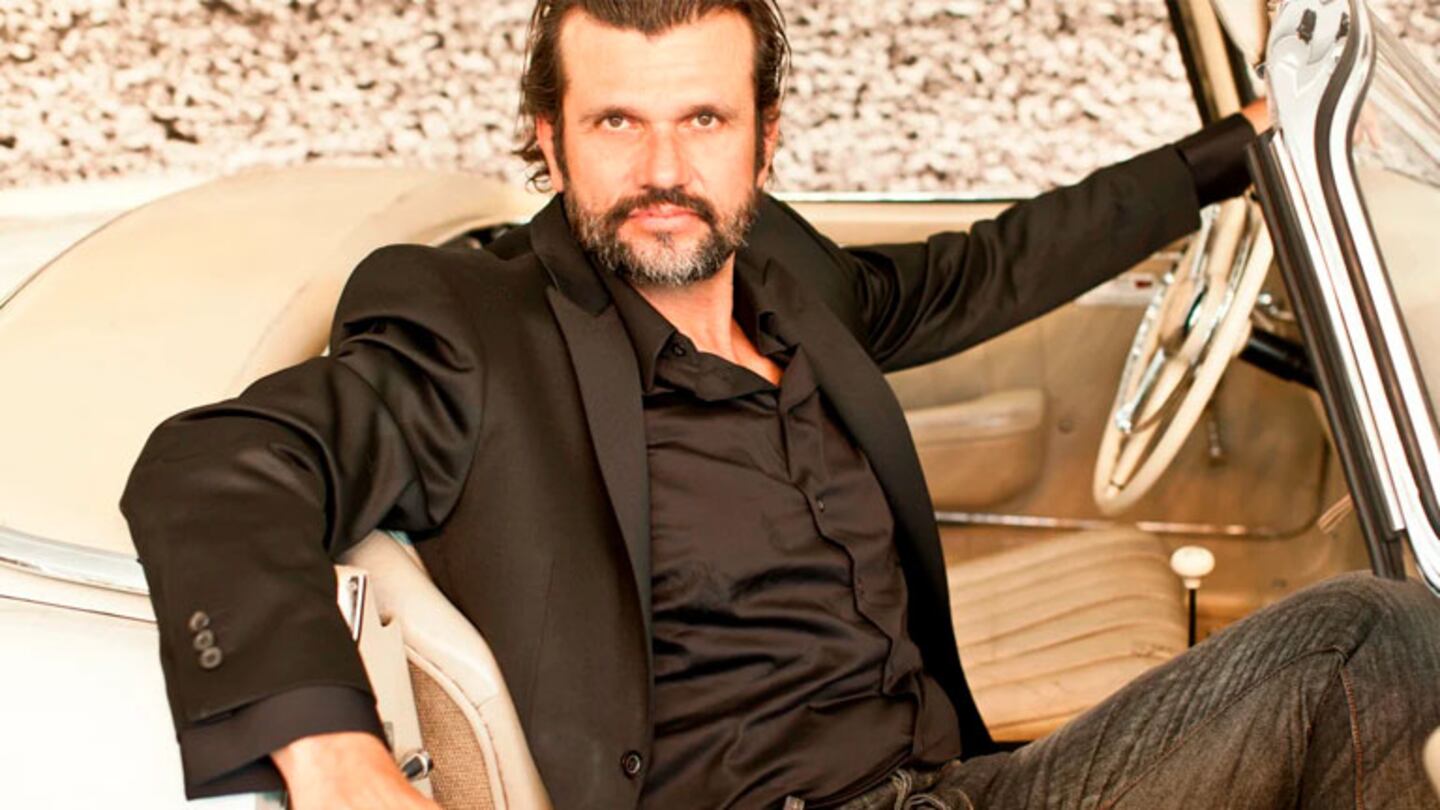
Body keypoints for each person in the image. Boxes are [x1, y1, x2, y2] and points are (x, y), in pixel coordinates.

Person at [121, 1, 1440, 808]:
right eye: (616, 125)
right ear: (548, 138)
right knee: (1369, 643)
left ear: (765, 138)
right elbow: (218, 467)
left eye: (703, 121)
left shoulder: (783, 274)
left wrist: (1228, 157)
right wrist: (335, 757)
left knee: (1356, 652)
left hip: (955, 783)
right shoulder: (472, 331)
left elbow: (973, 273)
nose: (663, 171)